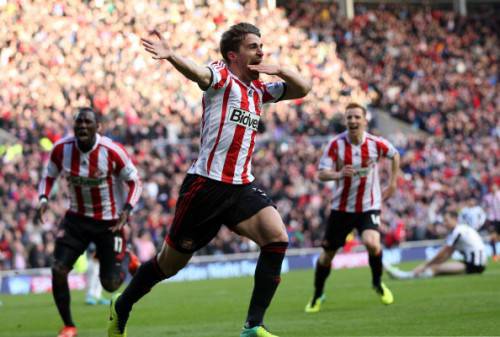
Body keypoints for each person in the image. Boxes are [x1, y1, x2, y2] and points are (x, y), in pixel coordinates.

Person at [107, 22, 311, 337]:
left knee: (276, 238)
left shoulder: (259, 90)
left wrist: (280, 69)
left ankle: (253, 326)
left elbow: (303, 89)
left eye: (261, 45)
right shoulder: (221, 76)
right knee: (168, 265)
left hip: (241, 185)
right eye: (253, 46)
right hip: (206, 187)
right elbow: (200, 75)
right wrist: (172, 55)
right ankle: (123, 305)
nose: (261, 51)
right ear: (233, 55)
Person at [35, 107, 142, 337]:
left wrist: (127, 209)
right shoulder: (62, 149)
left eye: (87, 122)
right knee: (58, 269)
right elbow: (48, 175)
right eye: (79, 122)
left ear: (98, 127)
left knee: (111, 285)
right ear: (74, 126)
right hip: (76, 220)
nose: (82, 126)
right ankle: (69, 325)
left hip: (109, 223)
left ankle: (126, 256)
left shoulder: (112, 151)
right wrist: (43, 198)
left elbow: (135, 181)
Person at [304, 102, 400, 313]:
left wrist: (392, 183)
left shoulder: (376, 144)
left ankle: (377, 283)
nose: (353, 121)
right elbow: (321, 173)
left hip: (368, 205)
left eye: (357, 117)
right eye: (349, 117)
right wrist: (338, 174)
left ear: (365, 120)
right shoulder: (335, 145)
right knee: (327, 255)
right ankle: (318, 294)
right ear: (345, 121)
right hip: (342, 208)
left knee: (372, 243)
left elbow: (395, 155)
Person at [384, 209, 487, 279]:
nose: (445, 223)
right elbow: (446, 255)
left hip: (474, 265)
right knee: (436, 266)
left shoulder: (458, 231)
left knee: (434, 268)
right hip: (476, 263)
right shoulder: (462, 230)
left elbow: (443, 253)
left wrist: (426, 265)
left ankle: (408, 276)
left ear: (455, 219)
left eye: (447, 220)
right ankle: (410, 274)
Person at [482, 184, 500, 261]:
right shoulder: (487, 197)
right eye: (492, 187)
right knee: (493, 237)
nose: (493, 188)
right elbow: (484, 207)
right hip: (492, 219)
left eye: (494, 187)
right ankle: (494, 254)